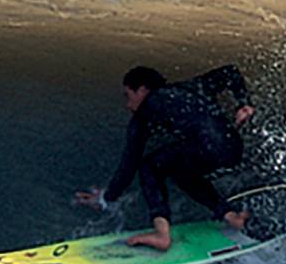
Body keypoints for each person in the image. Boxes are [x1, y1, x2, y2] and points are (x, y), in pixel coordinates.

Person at [75, 64, 257, 250]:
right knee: (183, 173)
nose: (128, 105)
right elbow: (230, 72)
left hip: (207, 148)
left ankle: (162, 235)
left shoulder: (145, 113)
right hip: (233, 146)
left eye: (128, 96)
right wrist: (244, 103)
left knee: (149, 166)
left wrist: (106, 197)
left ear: (143, 90)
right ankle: (232, 217)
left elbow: (129, 165)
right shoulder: (190, 86)